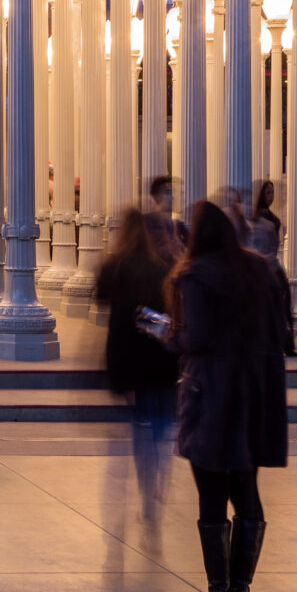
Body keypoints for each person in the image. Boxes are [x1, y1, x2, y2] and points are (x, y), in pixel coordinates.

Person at [169, 198, 287, 592]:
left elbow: (194, 338)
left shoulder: (194, 275)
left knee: (212, 495)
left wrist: (167, 334)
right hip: (252, 396)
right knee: (247, 491)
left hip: (211, 397)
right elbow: (278, 333)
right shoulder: (260, 270)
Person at [95, 208, 181, 520]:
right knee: (161, 419)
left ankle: (147, 481)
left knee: (140, 420)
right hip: (158, 351)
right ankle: (158, 475)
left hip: (127, 351)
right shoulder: (161, 266)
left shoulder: (114, 266)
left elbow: (101, 299)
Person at [247, 182, 294, 356]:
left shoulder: (273, 219)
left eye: (273, 192)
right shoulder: (257, 220)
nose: (272, 196)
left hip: (271, 264)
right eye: (268, 192)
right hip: (262, 267)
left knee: (282, 304)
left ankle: (285, 343)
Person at [150, 176, 189, 249]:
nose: (173, 197)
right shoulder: (147, 225)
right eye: (168, 192)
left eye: (181, 193)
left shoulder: (179, 227)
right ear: (157, 196)